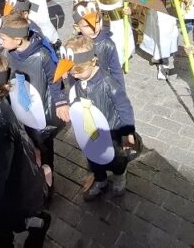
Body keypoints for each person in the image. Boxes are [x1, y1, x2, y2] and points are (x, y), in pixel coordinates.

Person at [0, 53, 51, 248]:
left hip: (9, 189)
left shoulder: (1, 128)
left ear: (2, 89)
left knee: (8, 222)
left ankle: (37, 224)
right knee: (1, 231)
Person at [57, 35, 135, 201]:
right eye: (71, 71)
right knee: (93, 158)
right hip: (88, 130)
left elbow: (124, 106)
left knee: (115, 158)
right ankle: (100, 179)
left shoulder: (108, 83)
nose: (74, 75)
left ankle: (120, 176)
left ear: (93, 62)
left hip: (110, 130)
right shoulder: (78, 80)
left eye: (78, 71)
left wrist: (128, 132)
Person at [0, 13, 68, 180]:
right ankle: (32, 174)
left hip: (39, 110)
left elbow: (54, 79)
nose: (0, 42)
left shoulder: (42, 55)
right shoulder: (7, 53)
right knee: (26, 141)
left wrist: (60, 102)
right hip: (19, 108)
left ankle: (47, 176)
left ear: (18, 40)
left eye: (3, 38)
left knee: (43, 144)